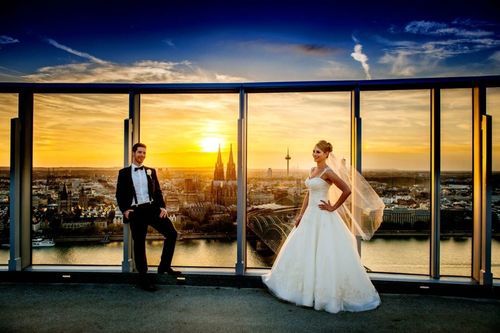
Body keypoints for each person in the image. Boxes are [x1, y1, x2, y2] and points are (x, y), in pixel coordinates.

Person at [262, 140, 383, 313]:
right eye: (313, 151)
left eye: (318, 152)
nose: (315, 154)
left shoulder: (329, 172)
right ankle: (305, 292)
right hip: (310, 215)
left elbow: (347, 190)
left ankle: (320, 295)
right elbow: (308, 195)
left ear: (327, 154)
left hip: (323, 215)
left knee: (324, 253)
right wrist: (301, 215)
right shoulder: (312, 171)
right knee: (305, 251)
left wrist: (333, 207)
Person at [116, 143, 181, 292]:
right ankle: (143, 278)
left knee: (172, 234)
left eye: (144, 153)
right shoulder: (124, 173)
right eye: (139, 152)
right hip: (136, 212)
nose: (142, 155)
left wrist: (163, 207)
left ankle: (164, 266)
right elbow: (119, 194)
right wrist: (125, 210)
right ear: (133, 153)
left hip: (152, 208)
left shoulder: (151, 171)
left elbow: (157, 191)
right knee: (139, 244)